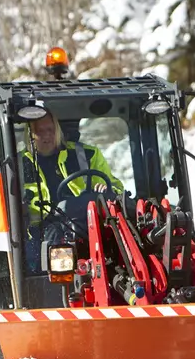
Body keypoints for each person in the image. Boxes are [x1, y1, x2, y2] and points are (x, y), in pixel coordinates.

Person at [21, 113, 123, 270]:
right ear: (29, 135)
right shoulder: (17, 165)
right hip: (40, 233)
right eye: (40, 131)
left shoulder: (87, 155)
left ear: (58, 131)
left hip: (86, 224)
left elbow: (116, 188)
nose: (47, 136)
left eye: (50, 130)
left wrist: (108, 190)